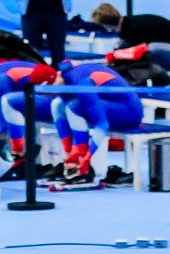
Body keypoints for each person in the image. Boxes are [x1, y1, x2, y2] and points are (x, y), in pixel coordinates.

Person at [52, 57, 142, 185]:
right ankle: (73, 158)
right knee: (57, 104)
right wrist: (70, 151)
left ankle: (83, 163)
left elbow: (102, 123)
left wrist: (88, 157)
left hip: (130, 111)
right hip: (111, 102)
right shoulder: (64, 77)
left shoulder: (83, 84)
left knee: (73, 106)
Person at [22, 0, 72, 67]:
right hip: (31, 10)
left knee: (58, 51)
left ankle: (59, 76)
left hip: (57, 10)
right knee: (31, 50)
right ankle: (31, 75)